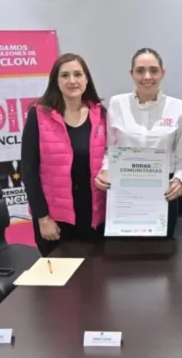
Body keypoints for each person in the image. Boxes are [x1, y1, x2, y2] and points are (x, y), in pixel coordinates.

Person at [94, 48, 182, 238]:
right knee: (123, 251)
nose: (147, 77)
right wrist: (104, 171)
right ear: (132, 73)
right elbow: (109, 150)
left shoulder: (177, 107)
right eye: (140, 70)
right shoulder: (117, 104)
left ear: (162, 73)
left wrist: (179, 180)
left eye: (153, 70)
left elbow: (181, 157)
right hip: (124, 193)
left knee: (162, 252)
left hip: (163, 194)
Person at [21, 53, 107, 256]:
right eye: (65, 75)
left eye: (78, 74)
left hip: (95, 216)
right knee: (62, 275)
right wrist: (43, 218)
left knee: (98, 272)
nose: (72, 81)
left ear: (86, 79)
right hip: (55, 220)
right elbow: (29, 170)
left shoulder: (101, 114)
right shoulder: (38, 115)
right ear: (56, 81)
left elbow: (111, 155)